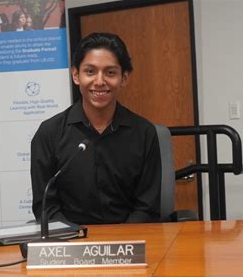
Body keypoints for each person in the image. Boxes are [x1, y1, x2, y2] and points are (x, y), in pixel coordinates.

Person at [30, 32, 161, 225]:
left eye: (110, 72)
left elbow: (146, 208)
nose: (99, 81)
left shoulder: (144, 133)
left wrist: (120, 245)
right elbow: (47, 207)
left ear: (124, 77)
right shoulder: (49, 133)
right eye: (90, 71)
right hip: (71, 243)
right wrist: (77, 241)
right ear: (76, 75)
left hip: (128, 244)